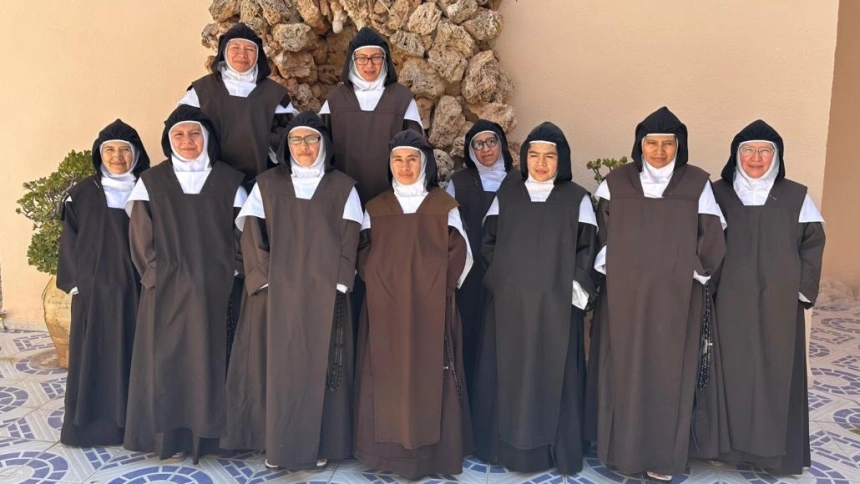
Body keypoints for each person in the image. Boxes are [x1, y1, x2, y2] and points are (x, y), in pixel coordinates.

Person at [589, 107, 727, 481]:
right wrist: (615, 266)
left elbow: (712, 237)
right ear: (640, 145)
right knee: (623, 371)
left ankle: (662, 459)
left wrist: (690, 270)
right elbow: (600, 234)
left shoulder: (697, 184)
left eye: (669, 144)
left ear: (679, 146)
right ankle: (621, 453)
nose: (660, 151)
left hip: (676, 298)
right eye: (653, 143)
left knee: (669, 376)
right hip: (625, 297)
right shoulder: (615, 184)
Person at [222, 112, 362, 470]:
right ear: (286, 146)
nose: (304, 147)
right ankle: (276, 441)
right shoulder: (267, 184)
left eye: (312, 140)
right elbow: (251, 233)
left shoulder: (343, 187)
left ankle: (321, 441)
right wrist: (265, 278)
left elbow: (350, 238)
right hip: (276, 296)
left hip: (324, 295)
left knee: (323, 368)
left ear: (324, 145)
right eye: (297, 140)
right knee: (275, 369)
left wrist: (339, 280)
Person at [472, 122, 598, 475]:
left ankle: (555, 453)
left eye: (549, 156)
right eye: (534, 155)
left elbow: (586, 250)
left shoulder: (577, 199)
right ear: (525, 158)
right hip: (509, 308)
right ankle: (503, 450)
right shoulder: (507, 196)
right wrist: (503, 283)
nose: (541, 163)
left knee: (554, 377)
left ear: (561, 160)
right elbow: (488, 246)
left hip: (557, 308)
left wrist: (570, 292)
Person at [123, 105, 246, 463]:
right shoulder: (152, 182)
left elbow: (242, 235)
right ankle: (168, 438)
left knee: (213, 362)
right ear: (168, 140)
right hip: (165, 291)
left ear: (206, 139)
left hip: (217, 291)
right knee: (167, 364)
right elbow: (141, 239)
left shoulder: (230, 181)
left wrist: (230, 272)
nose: (187, 140)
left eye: (194, 134)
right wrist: (158, 276)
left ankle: (211, 439)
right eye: (179, 134)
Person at [354, 130, 472, 479]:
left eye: (412, 159)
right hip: (384, 308)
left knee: (431, 374)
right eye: (398, 160)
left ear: (425, 164)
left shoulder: (443, 206)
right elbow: (361, 251)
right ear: (389, 164)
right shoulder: (375, 207)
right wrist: (378, 278)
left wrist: (436, 287)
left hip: (431, 308)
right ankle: (384, 456)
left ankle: (432, 455)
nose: (405, 167)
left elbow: (460, 253)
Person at [712, 120, 825, 474]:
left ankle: (772, 455)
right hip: (728, 302)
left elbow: (812, 243)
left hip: (778, 304)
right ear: (736, 155)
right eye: (748, 150)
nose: (756, 158)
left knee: (775, 373)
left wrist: (800, 287)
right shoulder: (718, 194)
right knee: (729, 374)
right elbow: (702, 240)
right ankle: (726, 450)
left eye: (764, 151)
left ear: (776, 157)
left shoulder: (795, 197)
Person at [57, 119, 150, 446]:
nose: (117, 157)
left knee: (137, 356)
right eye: (109, 150)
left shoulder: (150, 189)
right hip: (95, 294)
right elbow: (69, 240)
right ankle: (93, 427)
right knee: (95, 358)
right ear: (99, 154)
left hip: (139, 290)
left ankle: (135, 428)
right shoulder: (80, 195)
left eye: (125, 150)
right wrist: (76, 282)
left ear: (136, 155)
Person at [179, 22, 297, 183]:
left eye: (249, 49)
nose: (242, 55)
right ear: (224, 52)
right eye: (235, 48)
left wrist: (265, 141)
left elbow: (291, 132)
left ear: (258, 55)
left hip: (261, 179)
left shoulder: (273, 93)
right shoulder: (202, 90)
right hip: (210, 179)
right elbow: (181, 128)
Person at [445, 120, 513, 393]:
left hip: (506, 268)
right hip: (470, 270)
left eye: (491, 141)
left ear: (501, 144)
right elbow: (449, 226)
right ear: (470, 150)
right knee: (470, 330)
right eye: (478, 144)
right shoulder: (458, 182)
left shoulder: (518, 181)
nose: (486, 149)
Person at [319, 26, 423, 205]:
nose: (369, 64)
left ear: (385, 60)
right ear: (353, 61)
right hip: (343, 194)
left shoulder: (402, 99)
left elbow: (417, 150)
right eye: (362, 58)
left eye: (376, 57)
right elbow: (320, 149)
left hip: (392, 195)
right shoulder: (336, 100)